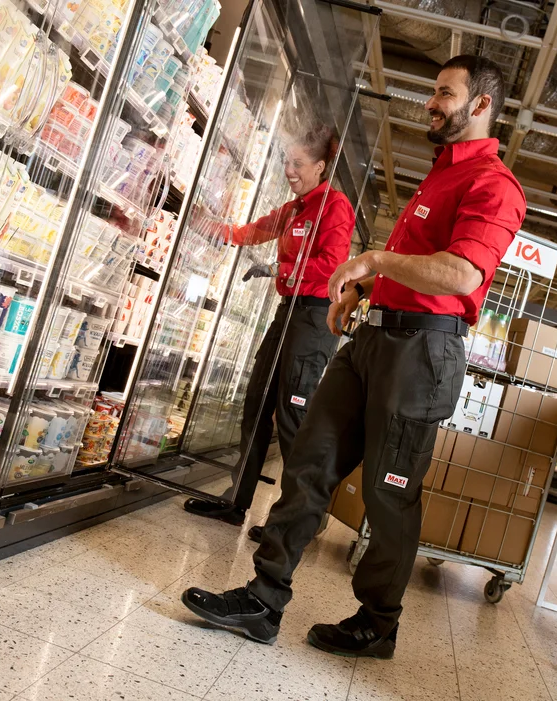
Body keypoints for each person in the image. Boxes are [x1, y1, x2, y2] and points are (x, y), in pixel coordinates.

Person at [181, 54, 526, 657]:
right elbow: (416, 263)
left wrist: (373, 261)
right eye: (433, 91)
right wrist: (365, 290)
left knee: (389, 493)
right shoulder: (440, 173)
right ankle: (263, 597)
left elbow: (461, 273)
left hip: (422, 354)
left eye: (445, 93)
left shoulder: (493, 185)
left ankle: (378, 623)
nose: (431, 102)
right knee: (309, 461)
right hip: (372, 339)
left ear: (481, 105)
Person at [183, 125, 355, 528]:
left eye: (298, 163)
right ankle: (236, 501)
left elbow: (332, 266)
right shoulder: (294, 208)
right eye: (285, 161)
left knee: (292, 415)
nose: (288, 170)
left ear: (320, 166)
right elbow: (254, 231)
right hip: (288, 311)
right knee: (257, 401)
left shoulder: (335, 206)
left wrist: (282, 268)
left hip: (314, 316)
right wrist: (208, 226)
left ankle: (296, 519)